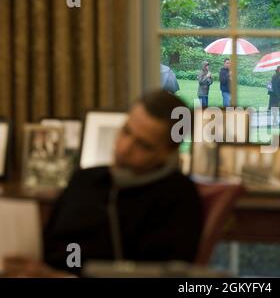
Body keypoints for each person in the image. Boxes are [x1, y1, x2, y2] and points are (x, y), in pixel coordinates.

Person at [3, 90, 203, 277]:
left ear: (168, 152)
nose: (124, 148)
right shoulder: (84, 179)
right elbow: (50, 246)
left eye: (143, 145)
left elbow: (162, 272)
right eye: (126, 131)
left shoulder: (180, 198)